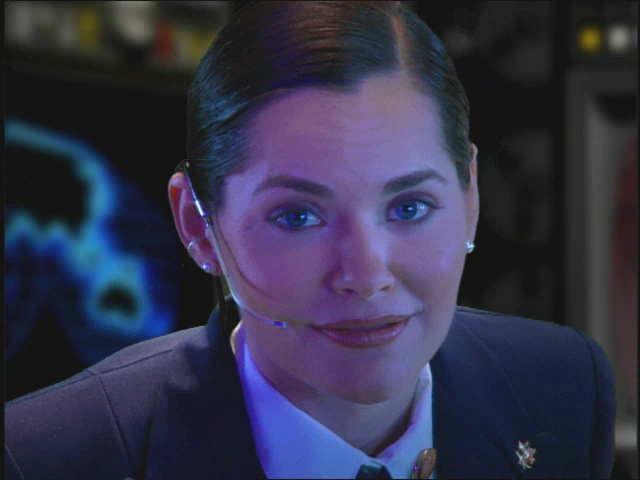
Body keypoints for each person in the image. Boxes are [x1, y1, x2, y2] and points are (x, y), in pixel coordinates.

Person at [5, 2, 615, 479]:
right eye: (298, 217)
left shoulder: (564, 386)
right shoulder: (41, 459)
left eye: (410, 207)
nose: (366, 275)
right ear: (197, 225)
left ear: (471, 199)